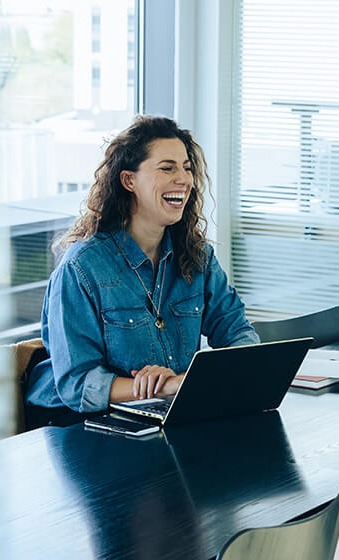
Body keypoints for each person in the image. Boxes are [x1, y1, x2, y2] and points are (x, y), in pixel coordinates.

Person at [25, 115, 259, 429]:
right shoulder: (81, 267)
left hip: (162, 416)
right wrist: (169, 386)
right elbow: (78, 384)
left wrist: (188, 380)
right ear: (129, 181)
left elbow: (239, 335)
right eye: (167, 168)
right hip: (79, 425)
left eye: (187, 168)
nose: (184, 179)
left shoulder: (198, 256)